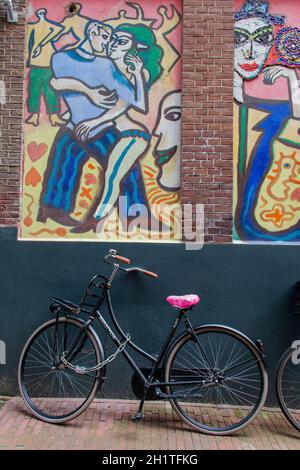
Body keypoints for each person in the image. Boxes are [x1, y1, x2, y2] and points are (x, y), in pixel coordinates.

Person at [37, 21, 152, 228]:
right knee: (62, 165)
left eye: (112, 40)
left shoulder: (106, 64)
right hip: (75, 125)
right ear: (92, 33)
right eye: (106, 37)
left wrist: (136, 74)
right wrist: (88, 90)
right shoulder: (61, 57)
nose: (108, 44)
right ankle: (53, 210)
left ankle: (136, 216)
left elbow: (132, 99)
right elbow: (58, 82)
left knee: (125, 171)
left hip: (99, 129)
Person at [71, 23, 164, 232]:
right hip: (118, 134)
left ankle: (96, 219)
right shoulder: (107, 69)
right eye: (113, 40)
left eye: (121, 42)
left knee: (112, 176)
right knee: (113, 175)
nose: (112, 44)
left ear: (135, 48)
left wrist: (95, 122)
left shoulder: (135, 74)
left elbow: (131, 105)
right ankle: (103, 218)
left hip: (134, 135)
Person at [26, 8, 65, 127]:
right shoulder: (32, 26)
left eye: (43, 12)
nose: (40, 14)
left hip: (48, 64)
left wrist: (42, 44)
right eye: (39, 13)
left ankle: (54, 116)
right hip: (35, 63)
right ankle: (34, 115)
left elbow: (59, 29)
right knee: (33, 90)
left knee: (50, 91)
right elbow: (28, 42)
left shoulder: (50, 26)